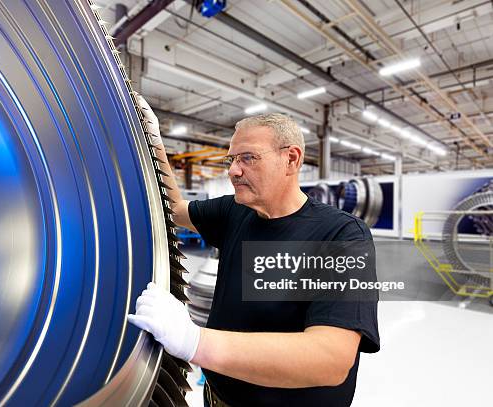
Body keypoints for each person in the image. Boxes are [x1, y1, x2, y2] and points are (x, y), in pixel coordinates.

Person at [128, 95, 380, 407]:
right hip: (218, 396)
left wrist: (195, 342)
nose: (233, 171)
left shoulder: (342, 235)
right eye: (230, 160)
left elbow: (330, 359)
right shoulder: (236, 212)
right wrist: (153, 140)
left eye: (248, 158)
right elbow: (175, 208)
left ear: (291, 160)